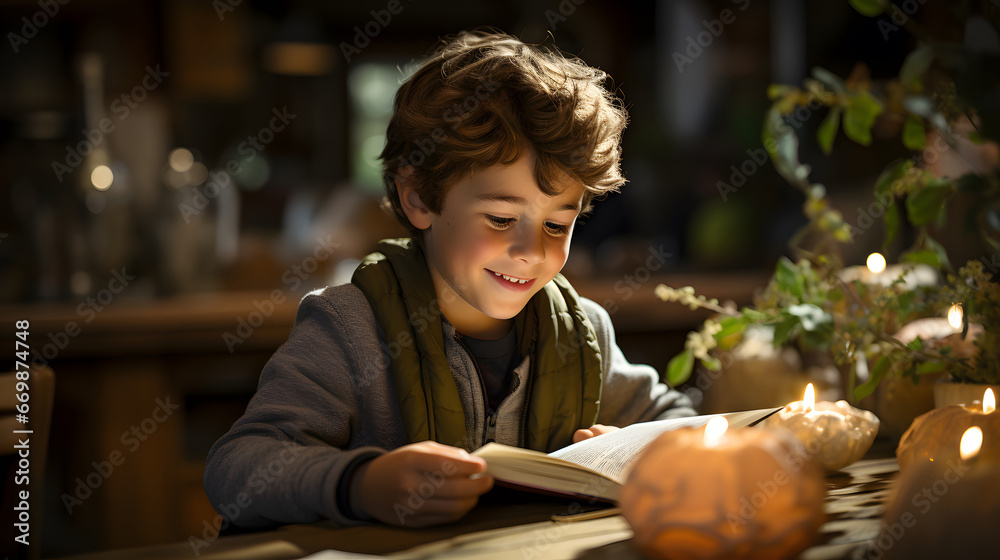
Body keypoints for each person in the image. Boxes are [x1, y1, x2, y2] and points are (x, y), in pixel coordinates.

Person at [203, 29, 694, 531]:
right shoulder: (350, 329)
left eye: (557, 224)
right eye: (501, 220)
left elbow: (680, 421)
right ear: (417, 198)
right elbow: (237, 466)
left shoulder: (583, 333)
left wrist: (627, 447)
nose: (531, 252)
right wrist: (361, 483)